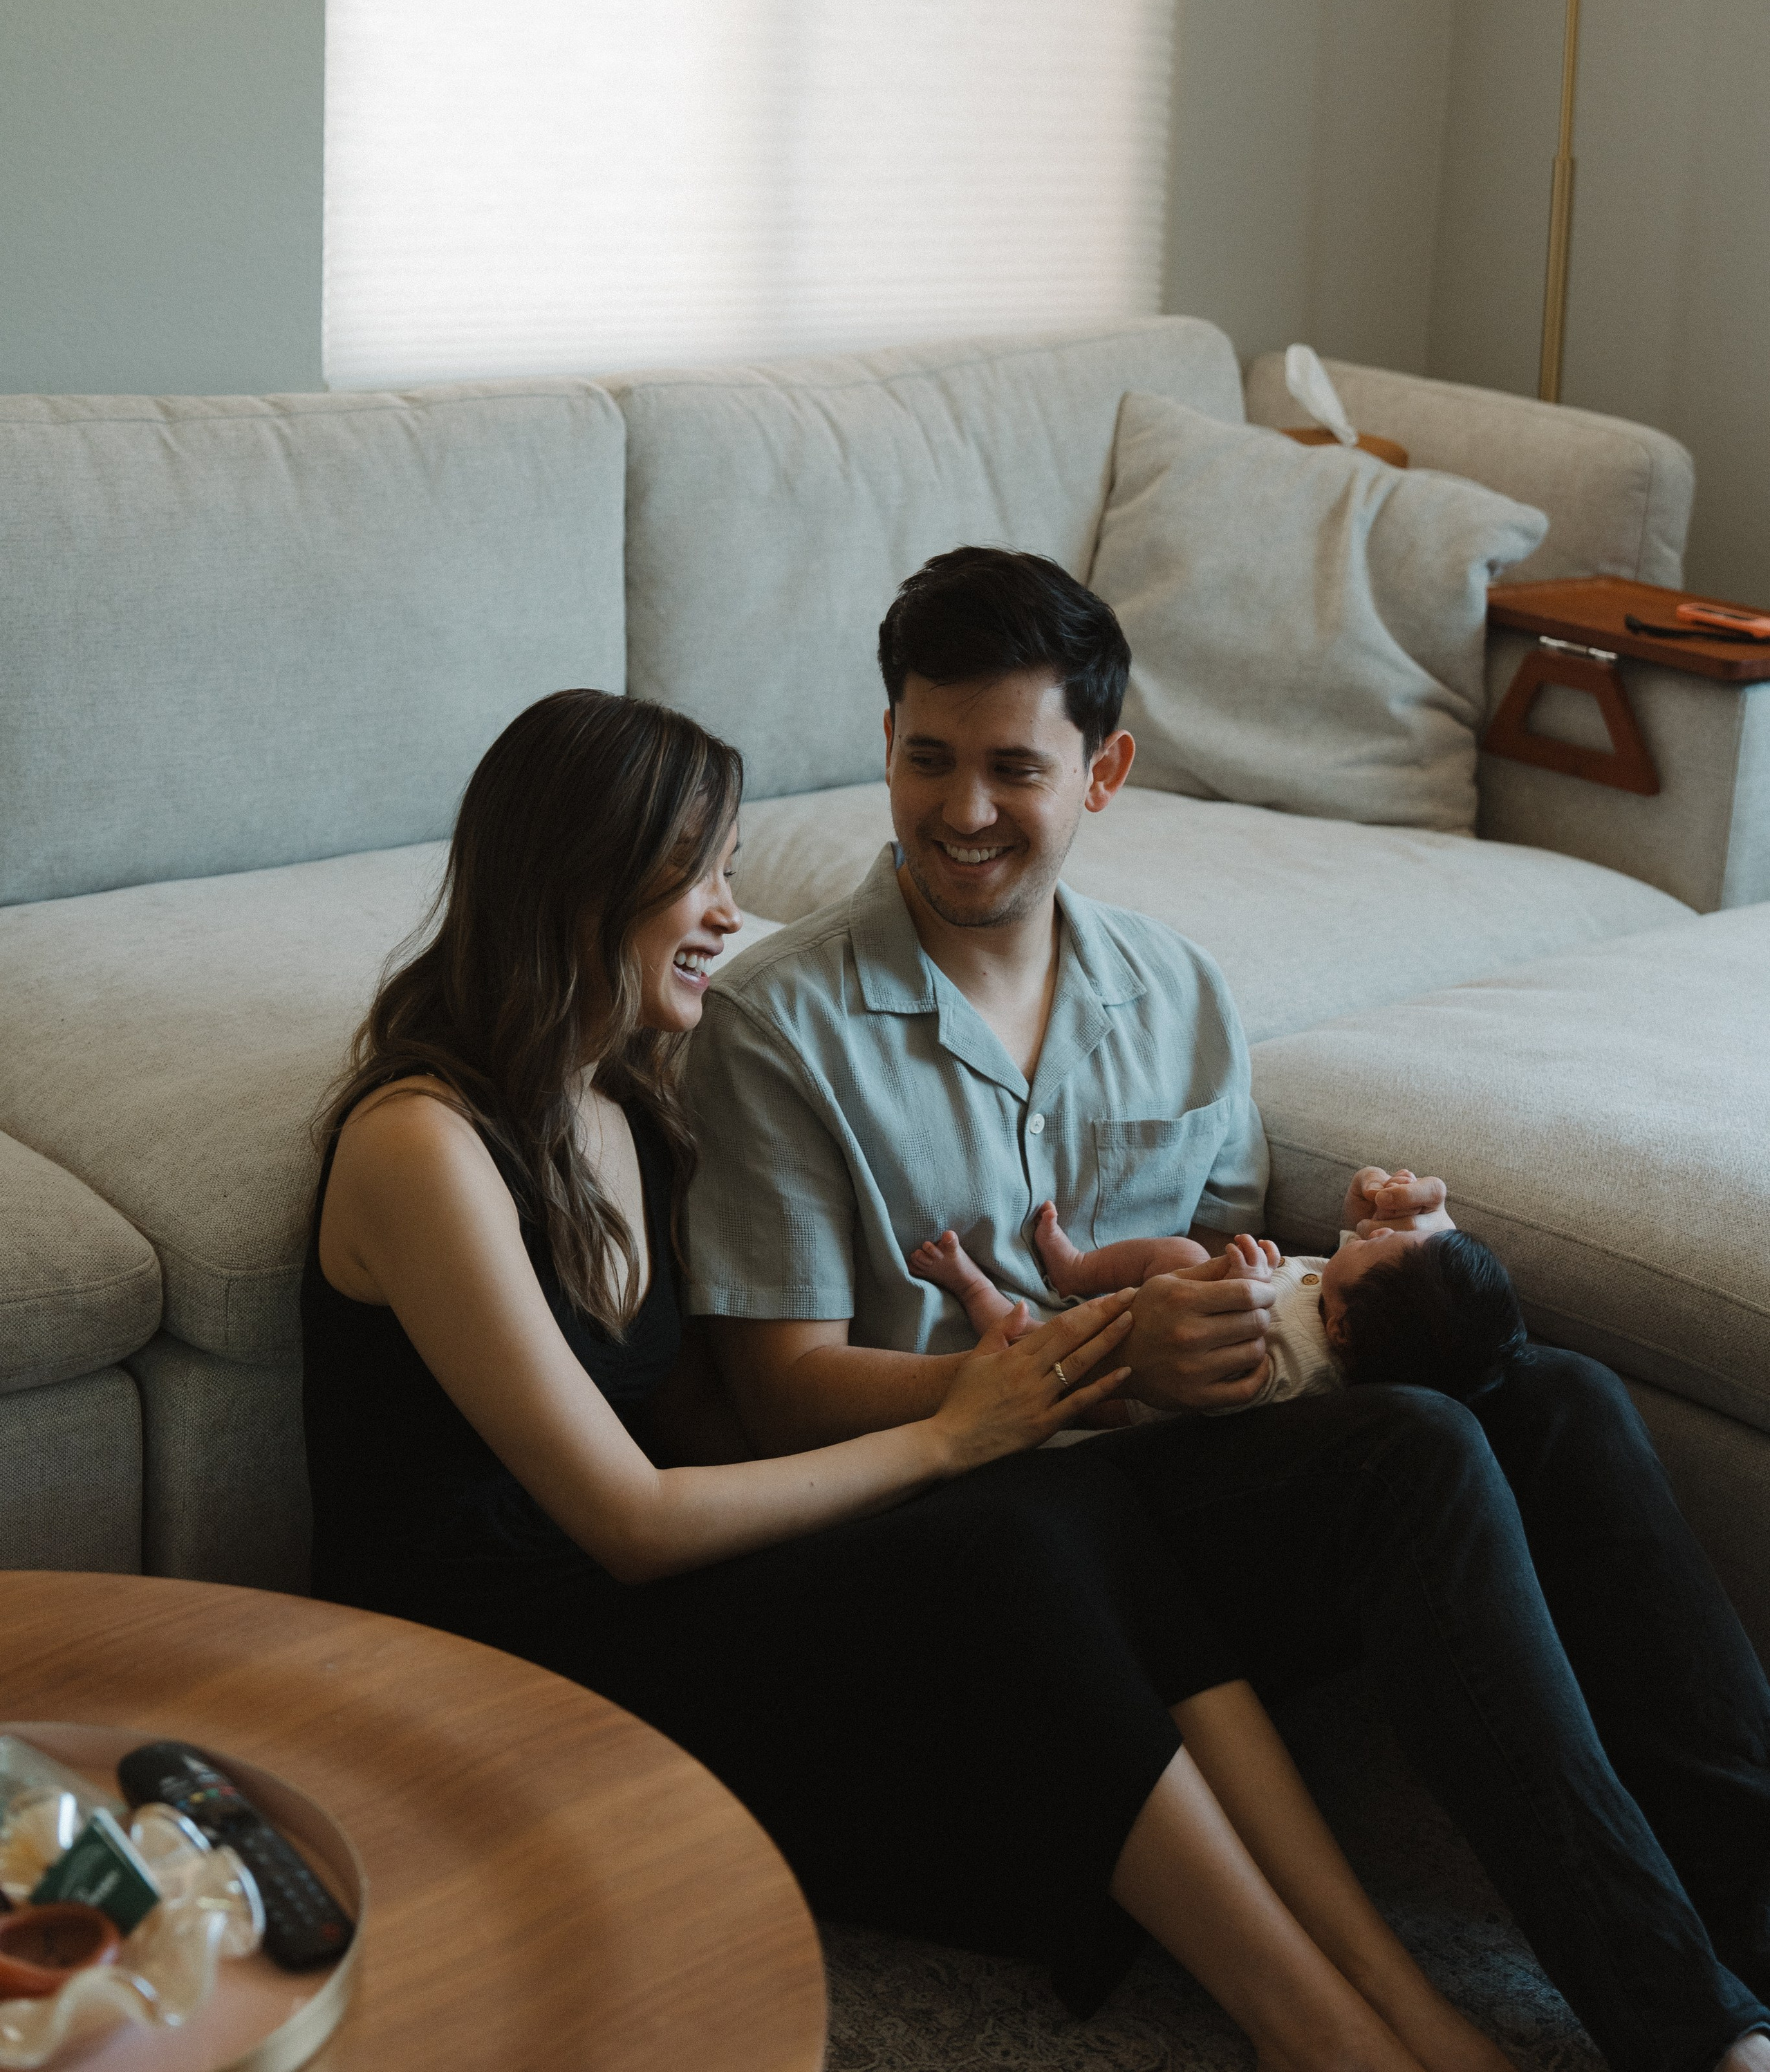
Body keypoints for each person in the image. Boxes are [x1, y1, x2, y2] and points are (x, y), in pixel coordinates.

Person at [301, 687, 1521, 2072]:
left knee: (1069, 1508)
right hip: (493, 1669)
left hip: (630, 1604)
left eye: (730, 875)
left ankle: (1394, 1998)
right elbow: (628, 1519)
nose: (724, 915)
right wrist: (952, 1435)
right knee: (1001, 1528)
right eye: (691, 879)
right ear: (575, 886)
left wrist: (1012, 1395)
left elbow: (692, 1422)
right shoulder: (423, 1146)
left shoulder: (623, 1104)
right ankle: (1317, 2034)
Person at [682, 546, 1770, 2072]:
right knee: (1413, 1459)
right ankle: (1690, 2036)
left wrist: (1319, 1295)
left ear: (1103, 771)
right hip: (977, 1533)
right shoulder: (775, 1029)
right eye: (926, 758)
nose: (961, 810)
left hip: (1180, 1499)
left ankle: (1756, 1931)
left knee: (1555, 1401)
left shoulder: (1181, 997)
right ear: (885, 744)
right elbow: (773, 1394)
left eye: (1013, 767)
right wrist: (1106, 1362)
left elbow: (1229, 1273)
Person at [909, 1167, 1529, 1409]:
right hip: (1162, 1313)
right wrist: (1369, 1219)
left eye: (1370, 1243)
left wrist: (1251, 1287)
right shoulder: (1359, 1315)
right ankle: (1073, 1271)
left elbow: (1242, 1382)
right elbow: (1354, 1276)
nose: (1363, 1233)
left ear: (1340, 1329)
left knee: (1040, 1352)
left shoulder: (1305, 1369)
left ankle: (971, 1289)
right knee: (1180, 1253)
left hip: (1137, 1393)